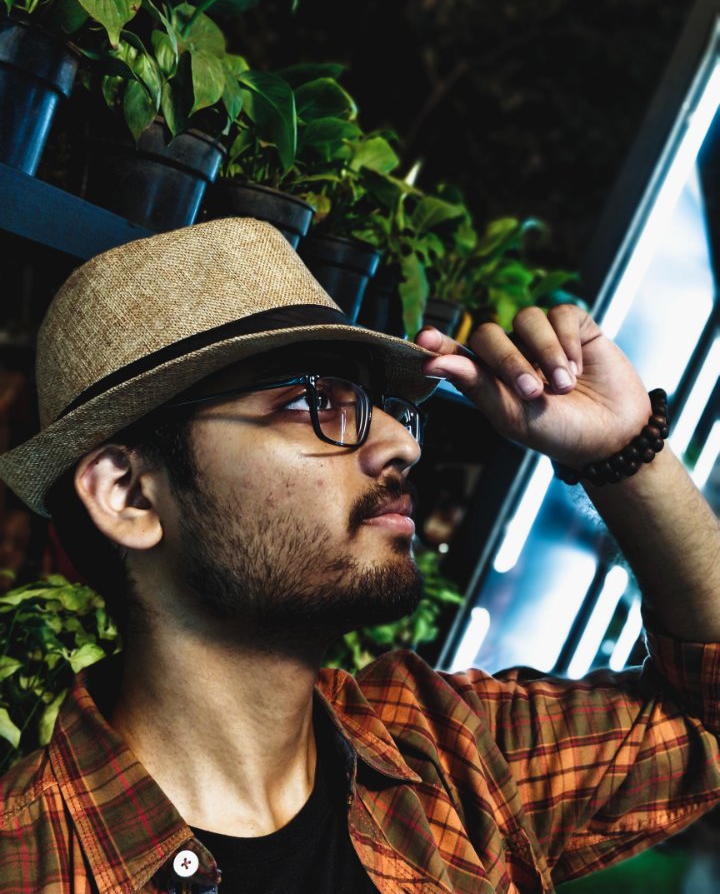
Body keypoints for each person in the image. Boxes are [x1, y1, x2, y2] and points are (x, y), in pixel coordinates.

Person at [0, 217, 719, 894]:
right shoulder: (30, 864)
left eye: (384, 407)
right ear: (129, 494)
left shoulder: (442, 753)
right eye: (315, 401)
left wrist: (628, 452)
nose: (401, 444)